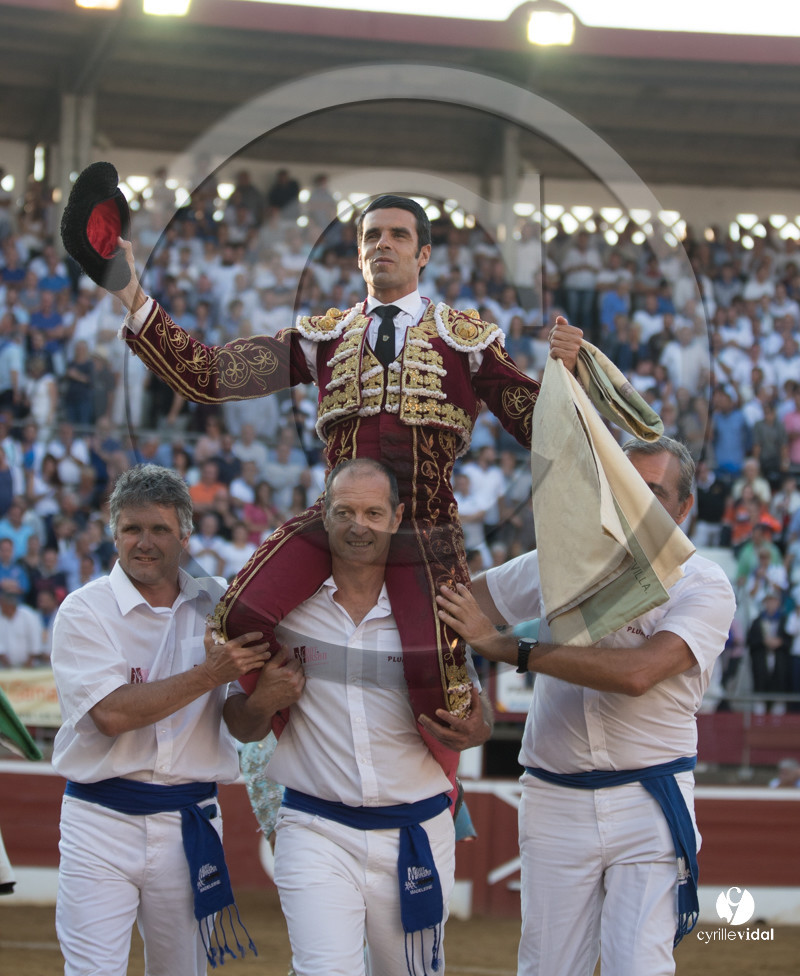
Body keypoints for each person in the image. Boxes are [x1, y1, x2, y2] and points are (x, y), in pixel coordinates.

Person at [110, 192, 581, 778]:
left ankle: (438, 797)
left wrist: (567, 375)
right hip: (336, 519)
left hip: (423, 524)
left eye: (398, 235)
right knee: (239, 615)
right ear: (360, 256)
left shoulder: (467, 341)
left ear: (424, 253)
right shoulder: (323, 338)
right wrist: (130, 292)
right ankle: (281, 713)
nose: (382, 244)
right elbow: (211, 374)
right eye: (371, 237)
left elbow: (540, 427)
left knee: (442, 687)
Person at [437, 437, 736, 976]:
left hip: (650, 797)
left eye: (653, 493)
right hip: (556, 796)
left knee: (639, 967)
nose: (635, 506)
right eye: (624, 488)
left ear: (684, 507)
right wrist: (467, 687)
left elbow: (639, 672)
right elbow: (456, 609)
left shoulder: (703, 583)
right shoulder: (558, 561)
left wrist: (511, 649)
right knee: (548, 968)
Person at [223, 458, 490, 976]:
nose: (358, 525)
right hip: (314, 827)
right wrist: (262, 700)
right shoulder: (286, 613)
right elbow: (240, 723)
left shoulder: (434, 611)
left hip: (416, 829)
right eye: (344, 511)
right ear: (324, 515)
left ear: (396, 517)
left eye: (373, 512)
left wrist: (477, 730)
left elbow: (474, 714)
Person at [50, 464, 304, 976]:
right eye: (131, 529)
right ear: (113, 534)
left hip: (189, 821)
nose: (144, 543)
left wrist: (264, 700)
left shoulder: (222, 604)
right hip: (100, 822)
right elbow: (112, 714)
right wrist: (210, 673)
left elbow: (243, 726)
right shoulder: (84, 610)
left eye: (159, 529)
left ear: (185, 535)